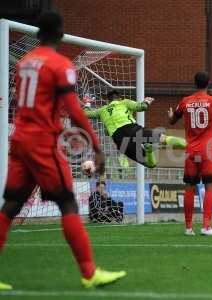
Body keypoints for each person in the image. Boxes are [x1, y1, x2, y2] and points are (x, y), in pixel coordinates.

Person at [0, 11, 126, 290]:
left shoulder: (23, 63)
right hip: (43, 143)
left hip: (20, 140)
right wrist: (96, 145)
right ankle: (89, 272)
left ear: (37, 34)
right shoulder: (60, 64)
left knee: (10, 206)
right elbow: (75, 110)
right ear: (60, 33)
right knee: (68, 203)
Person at [168, 72, 212, 237]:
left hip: (191, 152)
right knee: (210, 187)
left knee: (189, 188)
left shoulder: (185, 101)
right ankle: (207, 226)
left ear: (195, 83)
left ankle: (188, 228)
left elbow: (172, 120)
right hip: (208, 152)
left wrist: (170, 115)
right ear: (208, 83)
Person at [83, 90, 186, 168]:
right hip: (132, 129)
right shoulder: (124, 102)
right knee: (164, 139)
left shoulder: (102, 110)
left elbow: (86, 113)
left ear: (108, 100)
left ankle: (149, 151)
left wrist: (87, 103)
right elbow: (142, 107)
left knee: (151, 165)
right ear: (119, 98)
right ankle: (190, 145)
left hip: (119, 139)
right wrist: (146, 101)